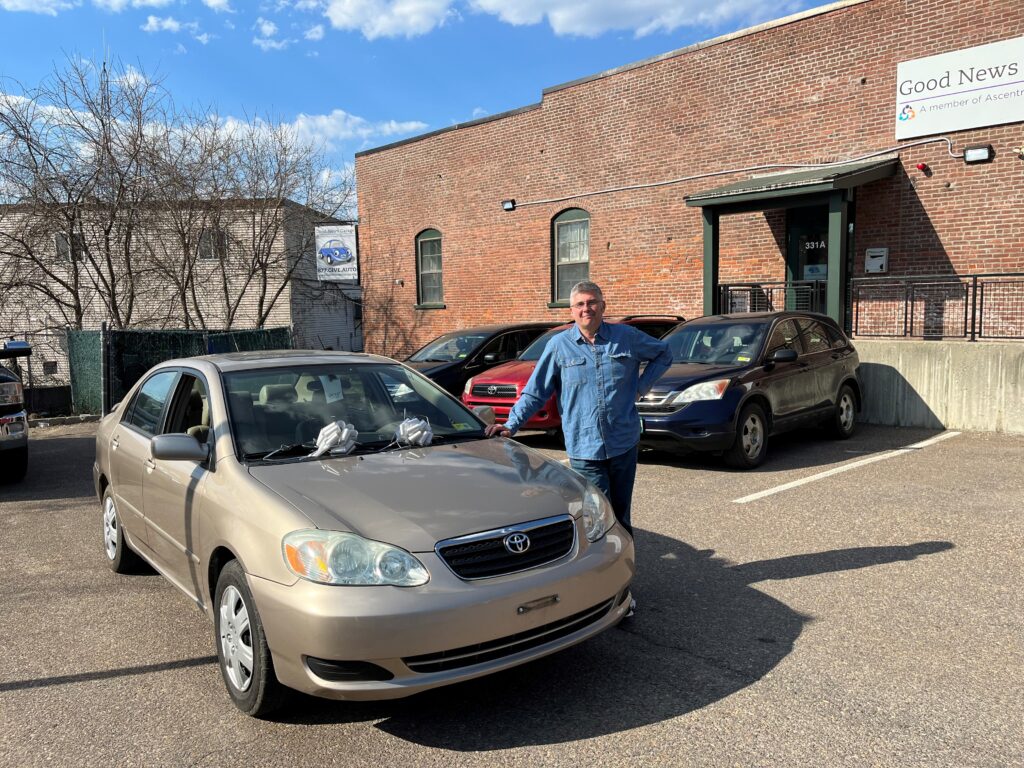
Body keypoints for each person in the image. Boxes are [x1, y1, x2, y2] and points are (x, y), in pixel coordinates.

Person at [485, 281, 672, 613]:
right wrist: (512, 423)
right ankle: (598, 589)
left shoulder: (626, 338)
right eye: (580, 305)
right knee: (597, 519)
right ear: (571, 311)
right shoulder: (559, 347)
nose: (587, 309)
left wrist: (640, 388)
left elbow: (663, 353)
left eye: (592, 303)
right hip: (584, 450)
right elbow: (535, 391)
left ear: (602, 305)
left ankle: (623, 590)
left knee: (621, 516)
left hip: (623, 443)